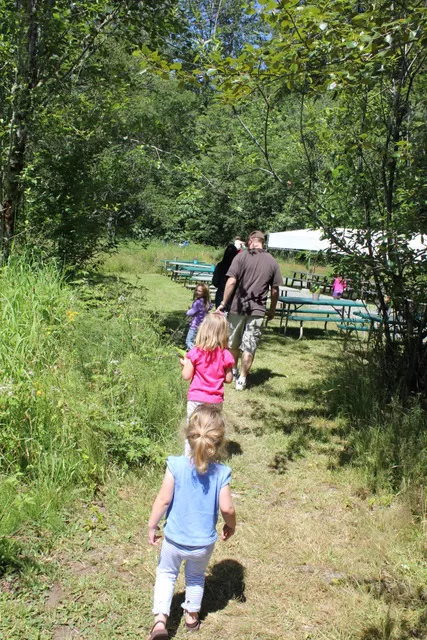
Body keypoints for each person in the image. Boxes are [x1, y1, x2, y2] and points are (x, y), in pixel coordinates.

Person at [147, 404, 236, 640]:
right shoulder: (221, 472)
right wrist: (231, 525)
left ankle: (159, 623)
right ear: (218, 442)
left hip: (174, 539)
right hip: (202, 544)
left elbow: (164, 499)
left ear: (189, 434)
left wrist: (152, 524)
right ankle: (191, 617)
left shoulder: (175, 465)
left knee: (166, 574)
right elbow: (227, 507)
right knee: (196, 577)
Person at [217, 230, 283, 391]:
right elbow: (275, 290)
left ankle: (232, 371)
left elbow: (231, 281)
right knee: (249, 345)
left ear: (252, 240)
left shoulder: (241, 257)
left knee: (233, 342)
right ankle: (243, 379)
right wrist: (272, 310)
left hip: (237, 307)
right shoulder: (272, 261)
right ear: (262, 242)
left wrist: (224, 302)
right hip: (258, 310)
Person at [181, 312, 234, 427]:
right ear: (224, 334)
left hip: (196, 399)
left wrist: (185, 364)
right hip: (215, 400)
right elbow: (229, 379)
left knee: (193, 429)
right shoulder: (225, 354)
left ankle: (191, 445)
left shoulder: (195, 352)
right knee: (211, 429)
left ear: (203, 330)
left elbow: (186, 375)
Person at [212, 244, 239, 310]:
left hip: (221, 294)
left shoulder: (220, 265)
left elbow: (215, 282)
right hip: (233, 295)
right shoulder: (237, 267)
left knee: (220, 318)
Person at [185, 283, 211, 350]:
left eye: (199, 291)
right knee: (198, 342)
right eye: (196, 290)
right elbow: (210, 307)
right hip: (202, 326)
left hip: (195, 325)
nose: (197, 292)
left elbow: (190, 313)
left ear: (204, 293)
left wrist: (188, 311)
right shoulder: (206, 302)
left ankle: (194, 353)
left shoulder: (198, 302)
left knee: (188, 341)